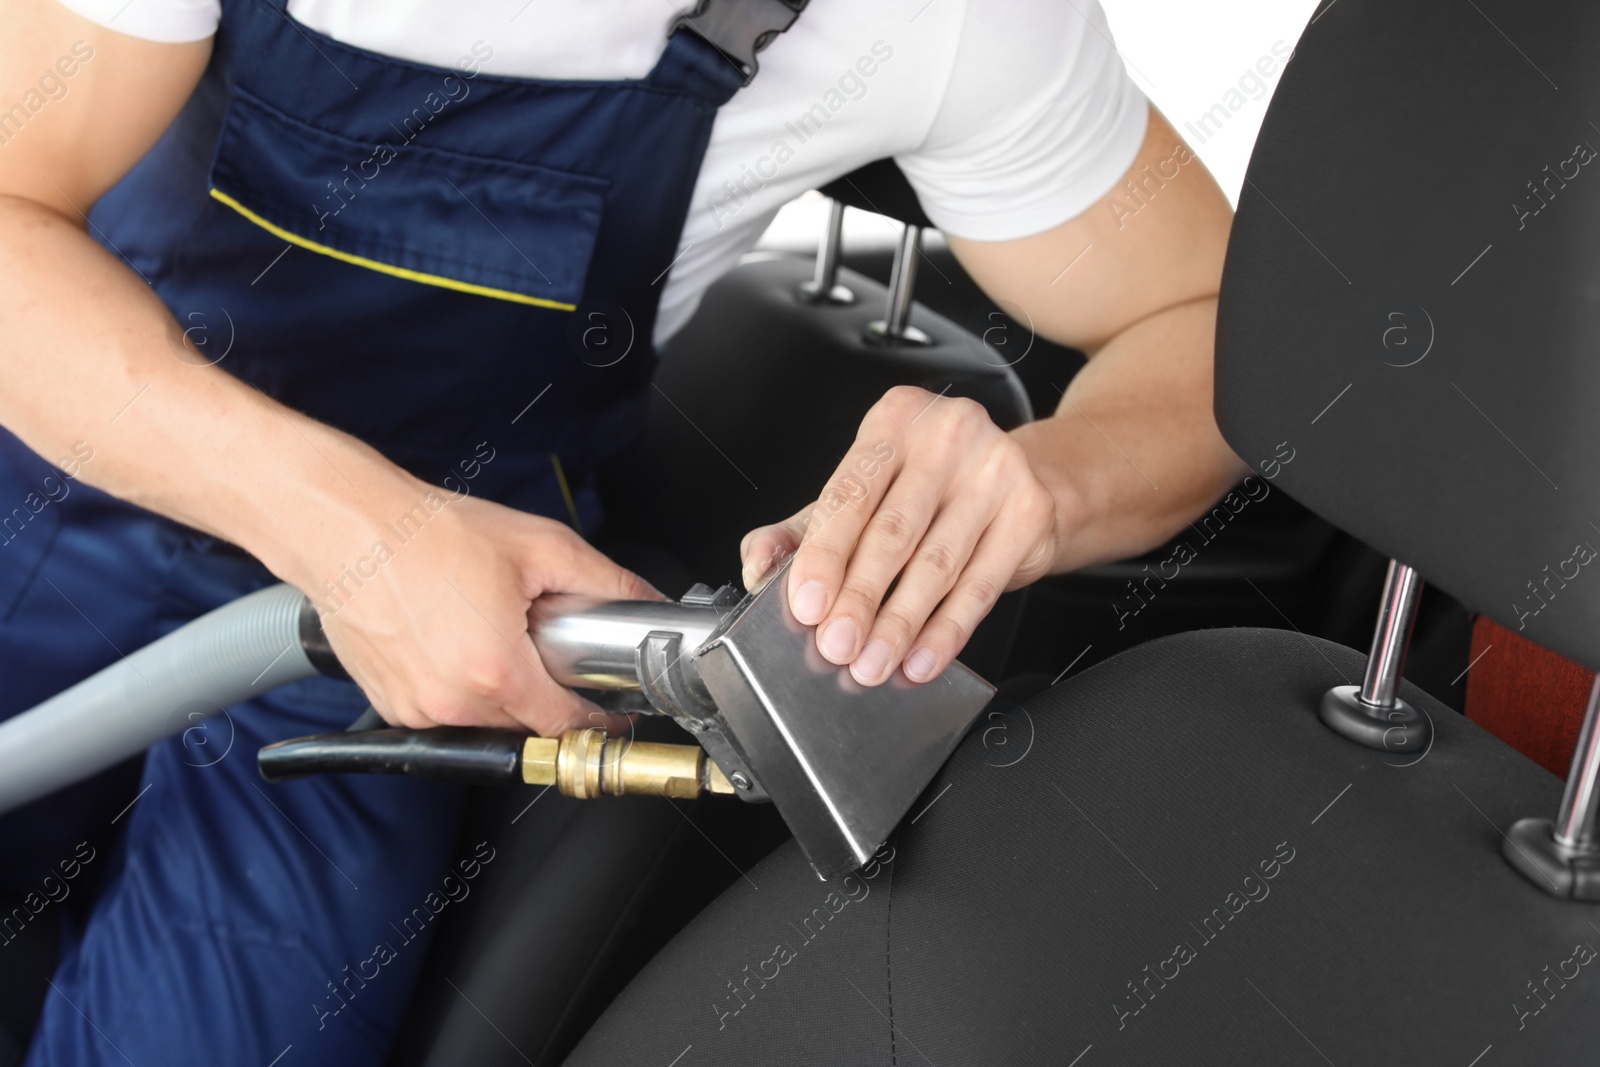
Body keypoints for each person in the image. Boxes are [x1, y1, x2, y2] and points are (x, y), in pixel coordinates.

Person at [0, 0, 1241, 1062]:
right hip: (53, 463)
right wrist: (351, 530)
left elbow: (1215, 324)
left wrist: (1045, 482)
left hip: (444, 627)